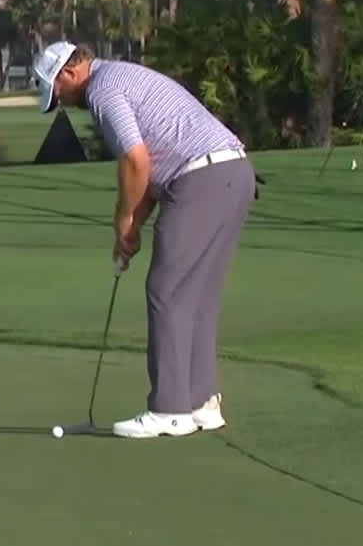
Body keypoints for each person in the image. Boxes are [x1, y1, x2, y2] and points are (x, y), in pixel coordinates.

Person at [33, 42, 257, 439]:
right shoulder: (122, 75)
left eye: (58, 93)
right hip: (234, 174)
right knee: (198, 295)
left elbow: (135, 160)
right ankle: (201, 402)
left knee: (166, 291)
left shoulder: (102, 89)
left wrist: (122, 219)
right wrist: (131, 229)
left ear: (69, 73)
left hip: (201, 179)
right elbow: (151, 172)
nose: (62, 102)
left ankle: (170, 410)